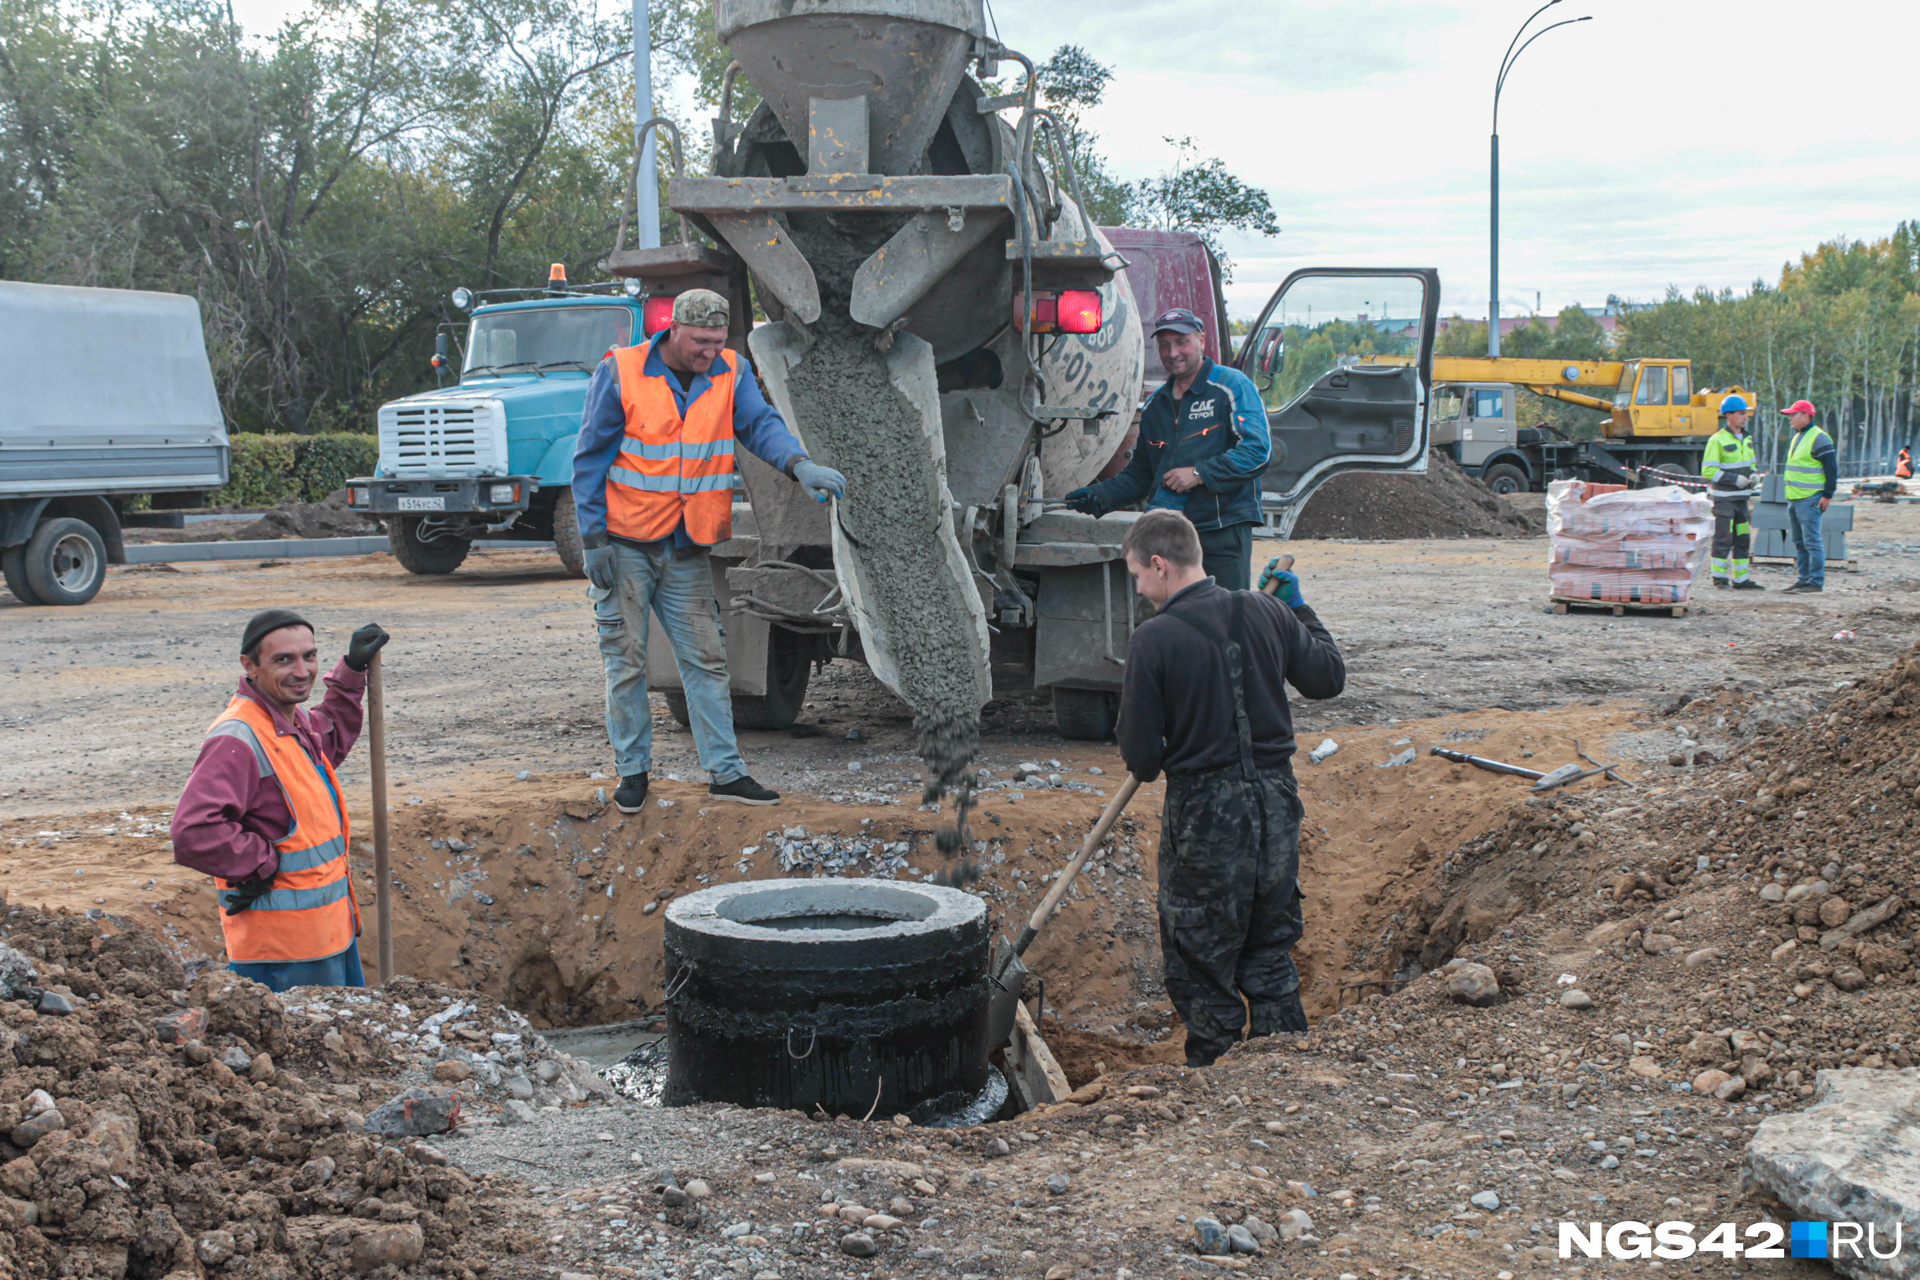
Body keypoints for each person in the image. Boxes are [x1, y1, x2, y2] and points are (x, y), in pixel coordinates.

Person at [574, 289, 845, 812]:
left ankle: (726, 772)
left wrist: (798, 464)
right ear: (673, 330)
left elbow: (759, 425)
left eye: (718, 341)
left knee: (707, 660)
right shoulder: (622, 373)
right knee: (625, 662)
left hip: (685, 546)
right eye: (701, 341)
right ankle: (633, 773)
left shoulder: (730, 371)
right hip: (625, 545)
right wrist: (592, 540)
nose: (709, 351)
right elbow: (588, 460)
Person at [1115, 509, 1345, 1066]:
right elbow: (1327, 677)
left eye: (1137, 576)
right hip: (1276, 803)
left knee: (1201, 957)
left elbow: (1141, 759)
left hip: (1206, 815)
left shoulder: (1155, 638)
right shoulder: (1267, 610)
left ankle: (1214, 1085)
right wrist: (1298, 608)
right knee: (1268, 948)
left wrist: (1181, 729)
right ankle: (1283, 1074)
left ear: (1160, 564)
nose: (1140, 589)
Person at [171, 610, 388, 992]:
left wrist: (352, 670)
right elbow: (194, 830)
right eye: (283, 660)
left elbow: (331, 734)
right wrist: (260, 863)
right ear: (249, 666)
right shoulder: (237, 738)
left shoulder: (291, 722)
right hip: (284, 955)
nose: (302, 671)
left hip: (329, 936)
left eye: (309, 656)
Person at [1063, 308, 1271, 590]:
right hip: (1170, 539)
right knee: (1178, 621)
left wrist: (1199, 473)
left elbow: (1257, 452)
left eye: (1181, 342)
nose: (1173, 353)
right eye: (1164, 345)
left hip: (1221, 531)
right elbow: (1140, 475)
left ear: (1201, 341)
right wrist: (1099, 496)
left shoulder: (1231, 386)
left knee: (1225, 620)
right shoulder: (1155, 406)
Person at [1700, 393, 1763, 590]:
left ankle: (1741, 580)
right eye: (1741, 413)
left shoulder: (1746, 439)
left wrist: (1754, 475)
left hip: (1741, 501)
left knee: (1743, 538)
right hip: (1725, 502)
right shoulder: (1717, 440)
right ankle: (1719, 579)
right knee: (1723, 539)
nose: (1745, 417)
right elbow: (1708, 470)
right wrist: (1735, 479)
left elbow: (1750, 463)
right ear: (1728, 415)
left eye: (1746, 414)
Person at [1780, 398, 1836, 593]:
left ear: (1805, 416)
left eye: (1793, 415)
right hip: (1795, 498)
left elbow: (1831, 468)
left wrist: (1827, 495)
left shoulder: (1819, 437)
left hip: (1810, 498)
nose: (1790, 419)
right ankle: (1804, 579)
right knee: (1799, 542)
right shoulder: (1798, 436)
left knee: (1812, 541)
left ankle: (1815, 582)